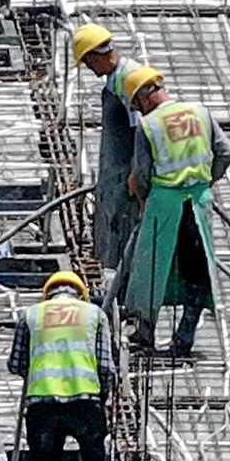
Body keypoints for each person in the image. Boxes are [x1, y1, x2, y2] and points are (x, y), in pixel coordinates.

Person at [118, 67, 230, 359]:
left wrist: (140, 195)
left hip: (163, 204)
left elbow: (141, 174)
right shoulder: (200, 111)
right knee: (197, 272)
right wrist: (207, 181)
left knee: (149, 271)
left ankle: (145, 336)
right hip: (198, 202)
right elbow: (226, 152)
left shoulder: (149, 126)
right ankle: (184, 339)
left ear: (143, 99)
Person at [7, 268, 112, 461]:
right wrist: (103, 397)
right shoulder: (94, 315)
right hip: (85, 402)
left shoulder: (31, 315)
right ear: (79, 292)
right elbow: (106, 366)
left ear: (48, 293)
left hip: (43, 406)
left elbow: (16, 364)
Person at [71, 23, 148, 280]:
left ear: (98, 55)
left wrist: (136, 175)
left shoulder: (130, 80)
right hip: (115, 176)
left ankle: (126, 295)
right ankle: (120, 291)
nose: (90, 70)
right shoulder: (116, 79)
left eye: (89, 62)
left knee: (126, 240)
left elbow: (142, 131)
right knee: (115, 241)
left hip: (127, 179)